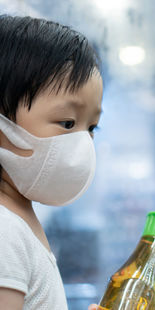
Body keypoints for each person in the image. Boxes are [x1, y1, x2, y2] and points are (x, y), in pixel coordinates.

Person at [0, 15, 102, 310]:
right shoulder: (5, 231)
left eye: (92, 128)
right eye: (67, 122)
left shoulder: (19, 219)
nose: (83, 143)